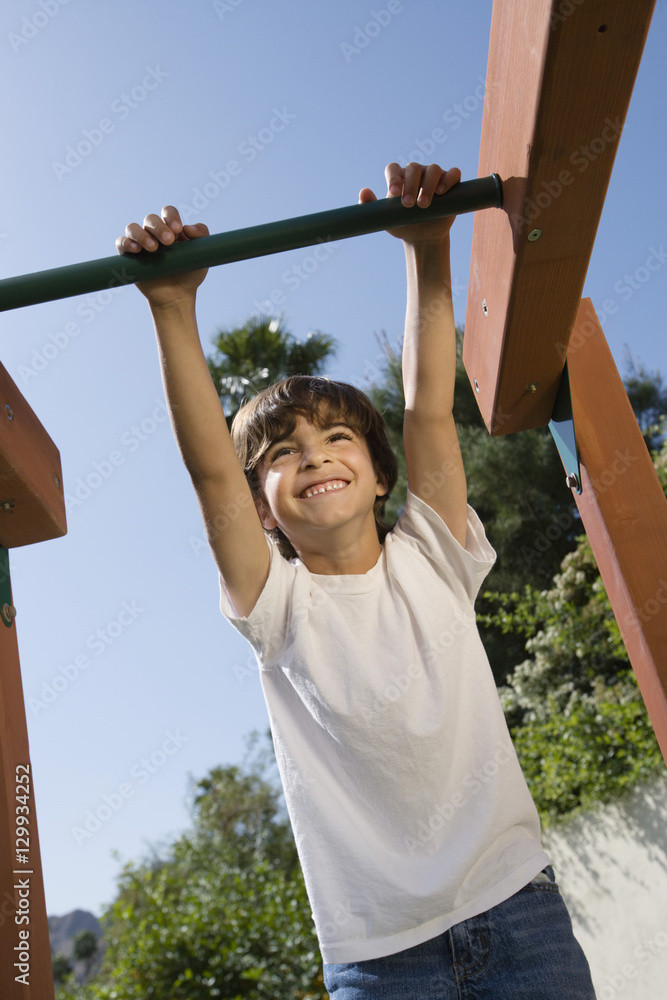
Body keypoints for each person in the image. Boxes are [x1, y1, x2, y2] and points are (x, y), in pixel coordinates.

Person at [117, 162, 597, 999]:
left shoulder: (434, 559)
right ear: (263, 509)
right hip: (381, 957)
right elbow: (209, 476)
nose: (314, 456)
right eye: (283, 452)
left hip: (516, 905)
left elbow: (424, 410)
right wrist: (172, 305)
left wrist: (426, 250)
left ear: (381, 476)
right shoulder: (277, 607)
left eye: (338, 437)